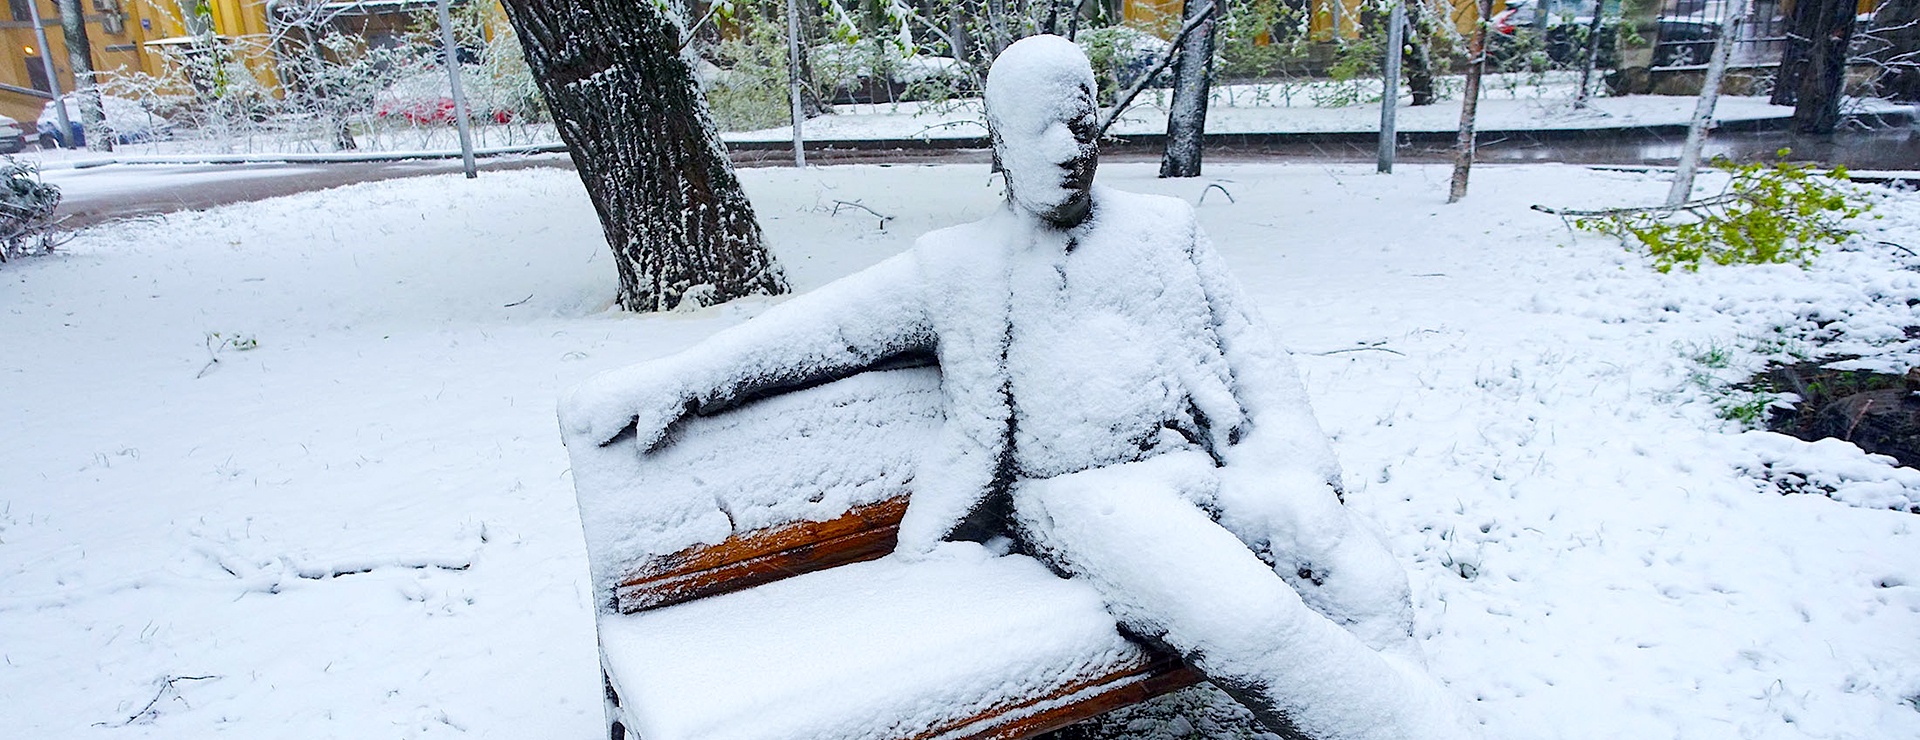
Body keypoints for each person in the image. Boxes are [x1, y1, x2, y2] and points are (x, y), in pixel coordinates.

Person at [562, 35, 1474, 740]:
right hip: (1080, 503)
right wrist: (684, 375)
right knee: (1246, 613)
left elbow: (1256, 357)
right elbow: (829, 329)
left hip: (1200, 472)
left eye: (1083, 123)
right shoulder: (960, 267)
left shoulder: (1167, 233)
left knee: (1333, 549)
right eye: (1041, 130)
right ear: (999, 143)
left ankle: (1424, 714)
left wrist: (1286, 455)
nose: (1069, 148)